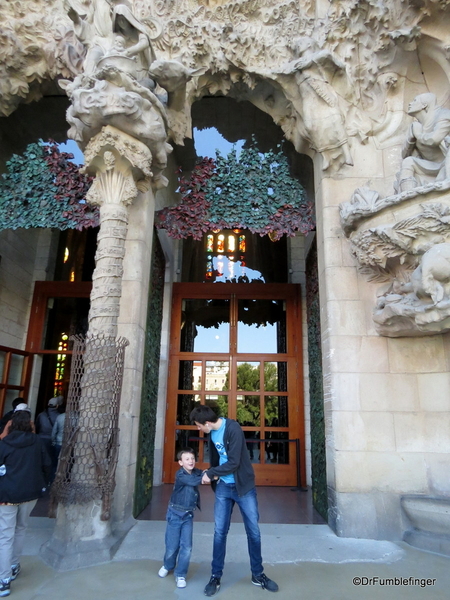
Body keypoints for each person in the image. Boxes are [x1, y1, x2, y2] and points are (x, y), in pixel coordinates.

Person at [190, 405, 279, 597]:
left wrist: (211, 474)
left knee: (253, 531)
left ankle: (258, 574)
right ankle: (215, 576)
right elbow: (218, 460)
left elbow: (233, 462)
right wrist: (212, 474)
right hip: (223, 487)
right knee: (220, 532)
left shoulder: (233, 429)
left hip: (243, 488)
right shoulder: (211, 433)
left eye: (198, 426)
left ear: (206, 423)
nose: (198, 429)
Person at [0, 405, 51, 597]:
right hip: (29, 494)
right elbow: (46, 464)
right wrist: (42, 484)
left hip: (6, 495)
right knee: (21, 529)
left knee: (5, 535)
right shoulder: (36, 442)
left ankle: (4, 579)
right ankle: (13, 565)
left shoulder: (4, 443)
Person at [158, 447, 205, 589]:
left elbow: (203, 473)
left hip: (188, 516)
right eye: (187, 459)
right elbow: (193, 481)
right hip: (175, 514)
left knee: (187, 547)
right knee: (172, 546)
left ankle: (181, 574)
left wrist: (212, 474)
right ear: (180, 462)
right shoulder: (181, 475)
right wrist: (205, 478)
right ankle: (168, 565)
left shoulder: (196, 472)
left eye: (192, 458)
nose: (191, 461)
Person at [398, 92, 450, 192]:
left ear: (424, 105)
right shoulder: (416, 126)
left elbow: (434, 139)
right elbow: (404, 155)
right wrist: (411, 139)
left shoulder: (443, 114)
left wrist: (418, 135)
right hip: (431, 165)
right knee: (408, 162)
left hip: (447, 162)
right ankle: (407, 196)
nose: (410, 104)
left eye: (415, 101)